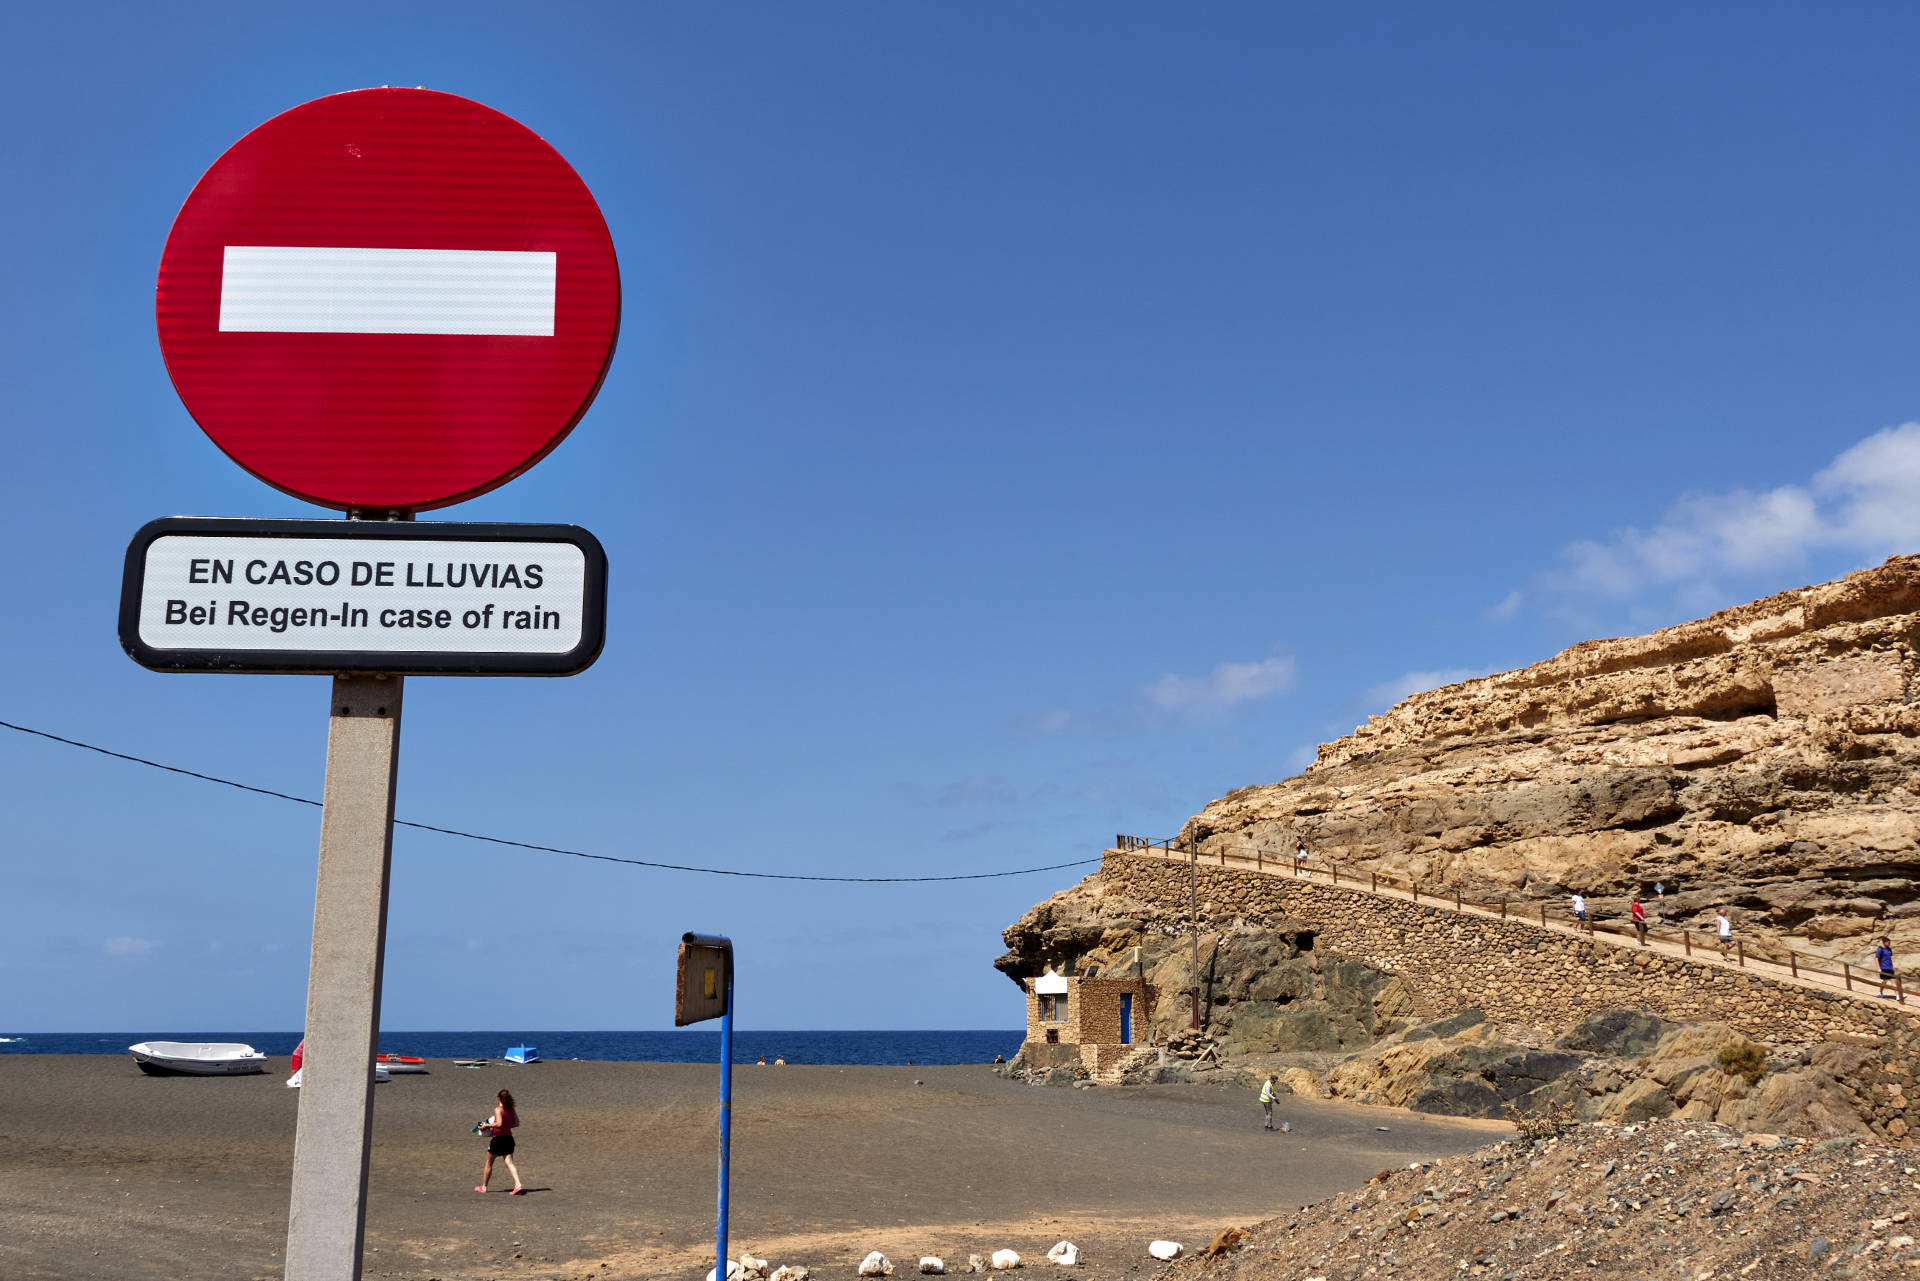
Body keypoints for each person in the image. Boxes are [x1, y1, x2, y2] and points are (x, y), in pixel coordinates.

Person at [476, 1088, 524, 1194]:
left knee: (489, 1162)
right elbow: (516, 1123)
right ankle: (518, 1184)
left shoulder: (498, 1109)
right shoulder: (511, 1109)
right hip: (508, 1138)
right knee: (509, 1162)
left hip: (498, 1139)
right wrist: (507, 1125)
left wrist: (486, 1125)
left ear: (499, 1099)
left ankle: (484, 1187)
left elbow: (499, 1124)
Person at [1876, 937, 1904, 1002]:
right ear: (1884, 942)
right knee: (1884, 982)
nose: (1889, 944)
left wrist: (1892, 967)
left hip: (1890, 968)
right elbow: (1877, 958)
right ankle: (1880, 993)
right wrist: (1878, 968)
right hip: (1883, 968)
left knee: (1893, 981)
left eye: (1890, 943)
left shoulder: (1889, 949)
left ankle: (1898, 995)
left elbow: (1889, 959)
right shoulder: (1880, 949)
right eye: (1888, 943)